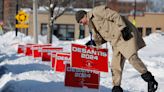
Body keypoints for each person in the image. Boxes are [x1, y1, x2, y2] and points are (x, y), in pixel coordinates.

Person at [75, 5, 158, 92]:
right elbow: (102, 37)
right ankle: (117, 88)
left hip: (124, 36)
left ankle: (150, 80)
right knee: (115, 66)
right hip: (115, 42)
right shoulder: (91, 25)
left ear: (84, 16)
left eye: (81, 21)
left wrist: (123, 28)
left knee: (132, 58)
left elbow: (115, 15)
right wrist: (93, 43)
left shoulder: (97, 12)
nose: (82, 24)